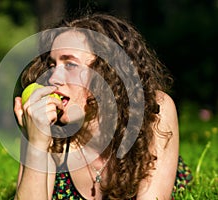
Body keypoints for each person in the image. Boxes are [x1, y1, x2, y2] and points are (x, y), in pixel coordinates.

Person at [13, 13, 192, 200]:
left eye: (70, 65)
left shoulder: (154, 108)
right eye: (52, 65)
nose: (52, 78)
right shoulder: (48, 129)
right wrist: (36, 144)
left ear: (107, 72)